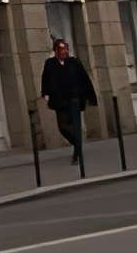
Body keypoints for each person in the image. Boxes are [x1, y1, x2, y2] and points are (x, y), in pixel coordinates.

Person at [40, 38, 98, 173]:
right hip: (60, 101)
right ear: (55, 51)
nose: (64, 51)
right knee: (63, 127)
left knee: (75, 126)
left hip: (74, 100)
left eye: (66, 48)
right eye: (61, 49)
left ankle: (76, 154)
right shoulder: (50, 64)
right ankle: (78, 144)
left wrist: (91, 97)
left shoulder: (74, 62)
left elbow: (85, 79)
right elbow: (45, 79)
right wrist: (45, 94)